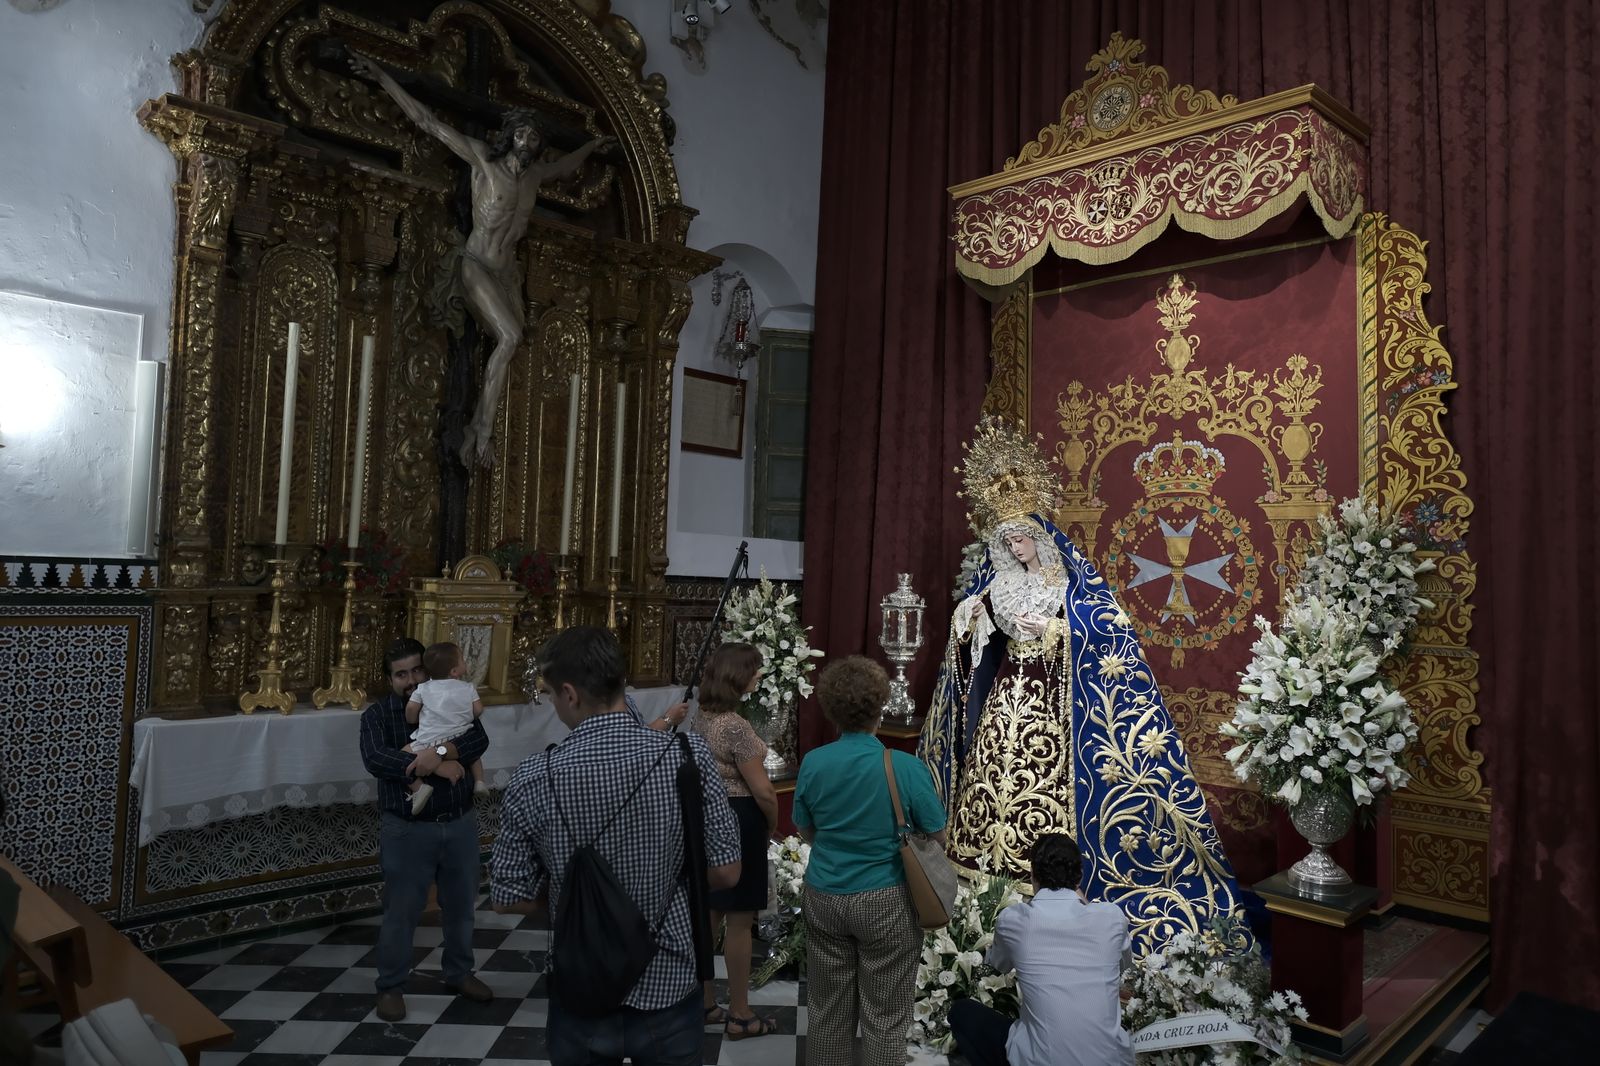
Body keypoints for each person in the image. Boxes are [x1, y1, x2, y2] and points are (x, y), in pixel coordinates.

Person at [921, 417, 1249, 957]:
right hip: (1005, 696)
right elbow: (973, 639)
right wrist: (971, 616)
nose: (1017, 547)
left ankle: (1046, 882)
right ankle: (982, 882)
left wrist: (1054, 630)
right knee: (990, 771)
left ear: (1038, 536)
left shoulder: (1067, 581)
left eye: (1023, 537)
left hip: (1051, 702)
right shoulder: (999, 581)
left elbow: (1107, 627)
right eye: (1009, 541)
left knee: (1044, 775)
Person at [491, 626, 741, 1066]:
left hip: (581, 983)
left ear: (570, 694)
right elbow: (726, 872)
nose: (554, 705)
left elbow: (508, 896)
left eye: (551, 695)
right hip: (668, 978)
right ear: (620, 681)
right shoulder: (687, 757)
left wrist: (578, 897)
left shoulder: (534, 775)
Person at [348, 52, 613, 467]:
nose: (527, 142)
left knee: (516, 342)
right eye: (522, 134)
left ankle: (481, 424)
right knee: (509, 338)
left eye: (534, 137)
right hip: (475, 264)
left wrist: (592, 146)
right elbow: (428, 122)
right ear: (510, 136)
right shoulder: (482, 161)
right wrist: (382, 76)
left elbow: (564, 167)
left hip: (507, 274)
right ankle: (480, 429)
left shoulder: (535, 177)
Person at [794, 656, 947, 1066]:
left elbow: (806, 829)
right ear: (880, 708)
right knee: (885, 1018)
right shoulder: (905, 767)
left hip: (825, 894)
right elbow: (937, 835)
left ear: (831, 710)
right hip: (887, 899)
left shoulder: (814, 762)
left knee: (827, 1013)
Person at [359, 636, 493, 1022]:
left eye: (417, 670)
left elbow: (478, 738)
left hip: (459, 820)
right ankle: (391, 986)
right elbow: (377, 759)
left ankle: (459, 972)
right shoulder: (379, 715)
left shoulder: (449, 697)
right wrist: (433, 763)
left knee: (461, 907)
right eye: (401, 675)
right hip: (407, 828)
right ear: (390, 679)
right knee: (401, 912)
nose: (411, 680)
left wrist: (437, 753)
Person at [949, 834, 1133, 1066]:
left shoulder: (1015, 920)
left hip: (1041, 1060)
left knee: (962, 1012)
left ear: (1033, 875)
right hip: (1111, 1061)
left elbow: (998, 965)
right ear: (1079, 877)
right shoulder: (1112, 918)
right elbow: (1124, 968)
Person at [691, 642, 779, 1040]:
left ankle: (705, 1002)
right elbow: (763, 791)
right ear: (737, 676)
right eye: (754, 669)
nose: (758, 675)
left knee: (711, 914)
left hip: (709, 817)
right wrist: (770, 824)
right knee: (741, 922)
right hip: (740, 819)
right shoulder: (735, 726)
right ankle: (741, 1013)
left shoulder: (703, 717)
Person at [403, 641, 487, 813]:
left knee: (403, 756)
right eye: (462, 659)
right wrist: (466, 718)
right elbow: (478, 710)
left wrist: (413, 719)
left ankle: (419, 788)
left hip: (430, 740)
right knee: (474, 755)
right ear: (454, 671)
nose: (465, 662)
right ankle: (479, 782)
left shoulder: (423, 688)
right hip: (459, 737)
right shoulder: (468, 688)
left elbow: (411, 711)